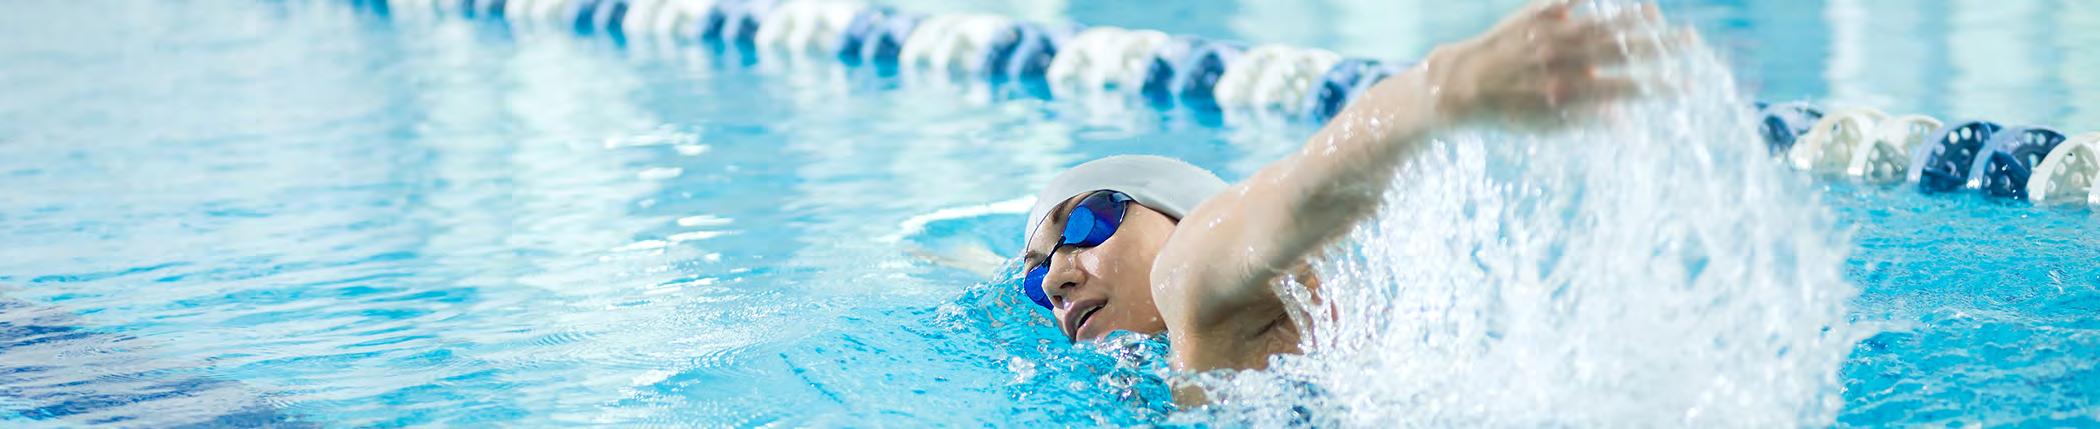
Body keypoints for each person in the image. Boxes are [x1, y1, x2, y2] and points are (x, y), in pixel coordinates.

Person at [1015, 0, 1670, 404]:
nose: (1055, 278)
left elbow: (1303, 189)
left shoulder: (1188, 277)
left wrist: (1448, 86)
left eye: (1088, 221)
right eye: (1034, 276)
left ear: (1180, 214)